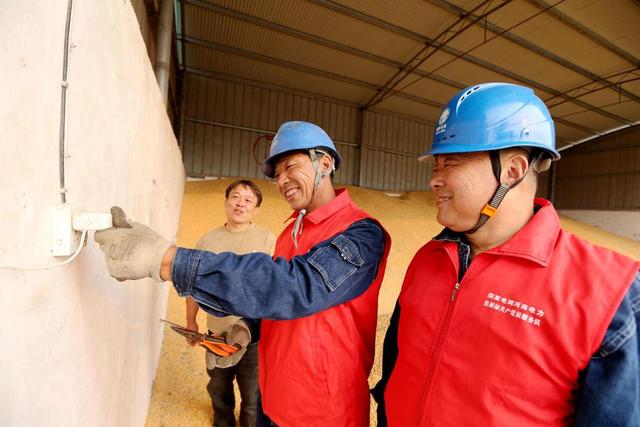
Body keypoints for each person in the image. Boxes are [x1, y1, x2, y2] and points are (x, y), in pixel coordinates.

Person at [372, 82, 640, 426]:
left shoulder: (608, 293)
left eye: (451, 163)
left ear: (512, 171)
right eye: (435, 167)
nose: (434, 181)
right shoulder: (429, 258)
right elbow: (395, 371)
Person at [94, 121, 391, 426]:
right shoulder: (291, 232)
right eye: (277, 174)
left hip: (322, 414)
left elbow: (295, 287)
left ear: (324, 163)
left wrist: (169, 260)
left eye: (290, 166)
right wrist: (248, 327)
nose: (282, 180)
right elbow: (276, 304)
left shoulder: (362, 234)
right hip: (273, 400)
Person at [186, 179, 275, 427]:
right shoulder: (207, 241)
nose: (240, 204)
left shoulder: (267, 240)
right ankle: (223, 421)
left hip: (253, 338)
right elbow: (193, 285)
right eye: (235, 197)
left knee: (252, 395)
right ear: (226, 202)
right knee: (218, 388)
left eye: (248, 200)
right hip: (216, 334)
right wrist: (191, 321)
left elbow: (276, 288)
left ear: (256, 209)